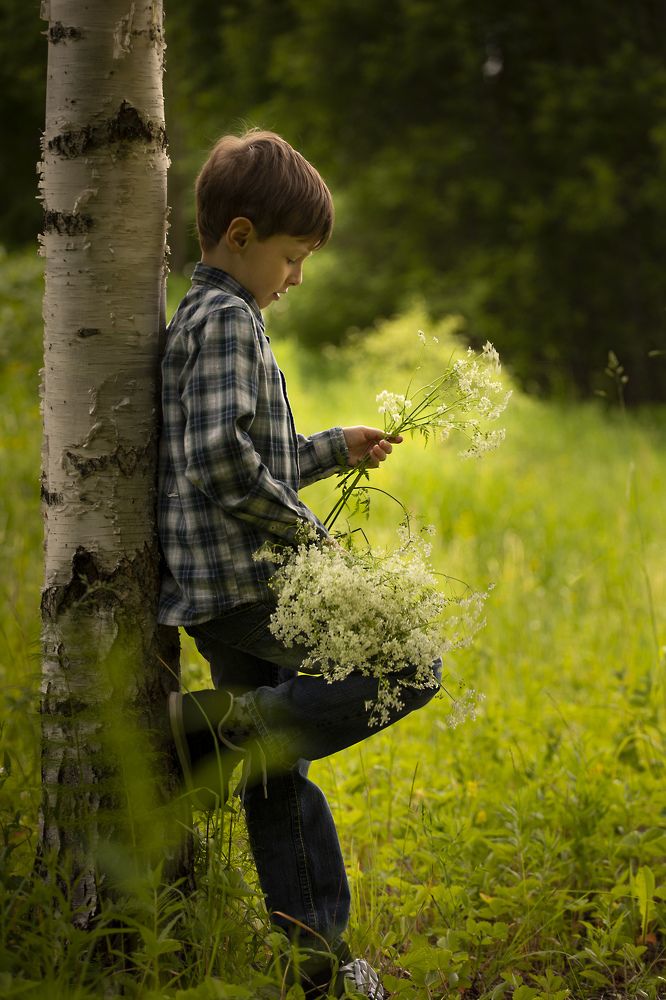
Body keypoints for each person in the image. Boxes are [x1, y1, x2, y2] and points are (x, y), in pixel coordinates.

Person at [158, 129, 441, 999]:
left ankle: (317, 961)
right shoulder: (227, 322)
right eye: (292, 256)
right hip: (243, 583)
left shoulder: (212, 319)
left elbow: (248, 452)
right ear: (239, 237)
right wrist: (308, 539)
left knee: (277, 770)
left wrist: (331, 449)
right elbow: (219, 464)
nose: (298, 276)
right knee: (410, 664)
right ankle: (212, 729)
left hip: (223, 584)